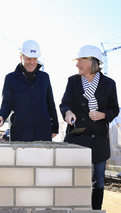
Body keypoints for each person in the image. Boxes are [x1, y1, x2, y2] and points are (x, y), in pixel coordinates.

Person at [59, 45, 119, 210]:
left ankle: (95, 210)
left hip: (99, 141)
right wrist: (68, 112)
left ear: (92, 62)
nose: (77, 64)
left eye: (80, 61)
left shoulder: (109, 84)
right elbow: (65, 103)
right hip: (78, 139)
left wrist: (103, 115)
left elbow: (114, 108)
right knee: (76, 180)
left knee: (98, 183)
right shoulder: (73, 81)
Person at [0, 40, 58, 141]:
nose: (32, 62)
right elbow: (7, 103)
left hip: (43, 131)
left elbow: (50, 103)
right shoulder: (10, 78)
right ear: (21, 57)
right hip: (20, 132)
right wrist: (1, 116)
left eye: (34, 59)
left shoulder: (44, 77)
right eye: (28, 59)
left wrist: (55, 127)